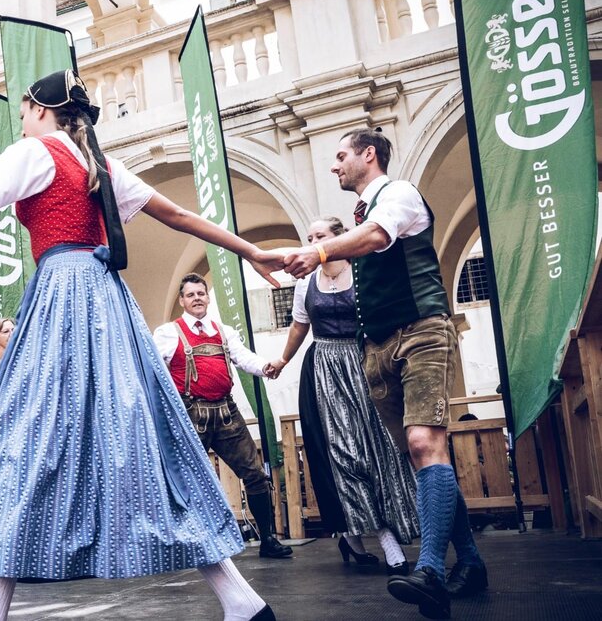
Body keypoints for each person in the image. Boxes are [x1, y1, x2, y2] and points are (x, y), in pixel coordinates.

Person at [0, 70, 283, 621]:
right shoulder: (100, 163)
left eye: (24, 111)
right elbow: (181, 216)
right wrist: (252, 252)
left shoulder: (35, 152)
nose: (22, 121)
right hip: (109, 301)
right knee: (142, 440)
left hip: (61, 297)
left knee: (19, 446)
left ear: (39, 109)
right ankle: (241, 601)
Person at [285, 128, 487, 618]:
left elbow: (378, 236)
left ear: (369, 155)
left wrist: (320, 251)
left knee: (422, 442)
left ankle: (431, 571)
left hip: (421, 330)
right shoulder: (359, 215)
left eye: (341, 155)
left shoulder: (397, 195)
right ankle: (471, 561)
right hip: (377, 347)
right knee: (423, 456)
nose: (334, 165)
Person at [270, 217, 419, 574]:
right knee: (344, 452)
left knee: (381, 448)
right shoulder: (306, 283)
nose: (313, 241)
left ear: (339, 238)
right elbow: (299, 326)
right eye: (309, 237)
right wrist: (282, 360)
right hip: (325, 369)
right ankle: (377, 538)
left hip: (366, 362)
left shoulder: (362, 271)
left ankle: (367, 533)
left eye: (320, 235)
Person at [152, 273, 292, 560]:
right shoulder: (168, 333)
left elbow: (243, 357)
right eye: (190, 295)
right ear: (182, 301)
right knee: (186, 481)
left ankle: (267, 540)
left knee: (255, 474)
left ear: (207, 297)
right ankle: (188, 544)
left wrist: (266, 367)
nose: (197, 299)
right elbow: (154, 371)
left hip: (227, 412)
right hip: (190, 415)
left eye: (201, 293)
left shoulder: (223, 330)